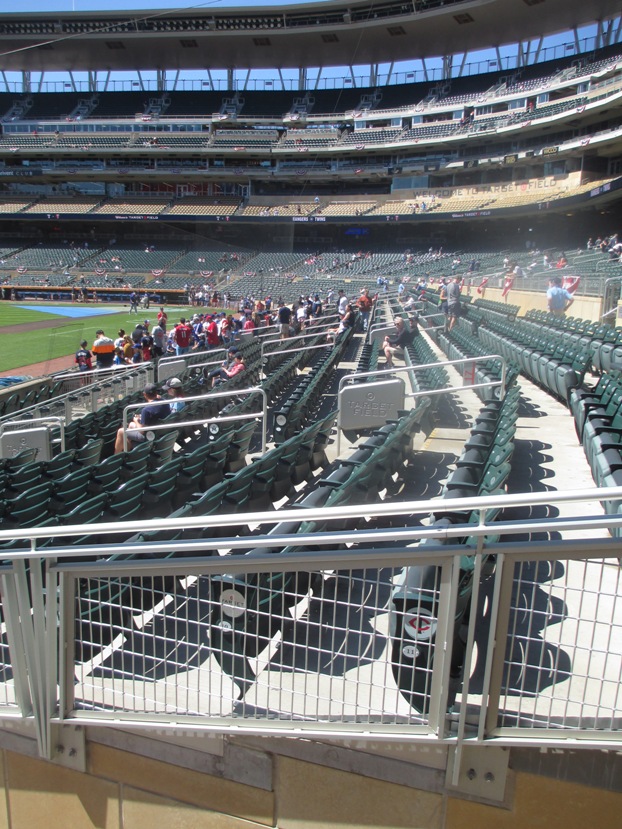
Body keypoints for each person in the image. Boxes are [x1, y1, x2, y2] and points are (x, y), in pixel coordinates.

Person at [113, 383, 171, 453]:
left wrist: (136, 420)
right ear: (156, 393)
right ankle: (128, 453)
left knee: (121, 431)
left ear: (144, 394)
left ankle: (116, 455)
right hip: (160, 431)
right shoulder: (166, 403)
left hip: (149, 436)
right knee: (131, 424)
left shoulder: (146, 410)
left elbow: (142, 431)